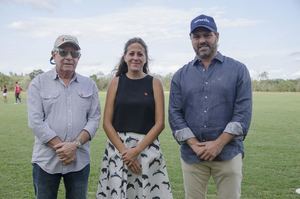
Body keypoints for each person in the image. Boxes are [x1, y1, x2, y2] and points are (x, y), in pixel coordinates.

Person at [169, 14, 252, 199]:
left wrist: (218, 144)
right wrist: (194, 144)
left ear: (217, 36)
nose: (202, 40)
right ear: (191, 40)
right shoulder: (180, 75)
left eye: (207, 35)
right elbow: (175, 114)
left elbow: (243, 113)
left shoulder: (238, 70)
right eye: (196, 36)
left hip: (229, 154)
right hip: (192, 156)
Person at [96, 37, 173, 199]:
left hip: (147, 150)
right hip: (118, 151)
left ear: (146, 58)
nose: (136, 58)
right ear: (125, 57)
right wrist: (126, 153)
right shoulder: (115, 83)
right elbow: (107, 123)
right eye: (132, 53)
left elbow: (159, 124)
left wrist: (136, 151)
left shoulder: (155, 83)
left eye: (140, 54)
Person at [27, 35, 101, 199]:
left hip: (79, 160)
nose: (69, 57)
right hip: (45, 161)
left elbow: (94, 119)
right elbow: (36, 121)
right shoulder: (38, 83)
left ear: (78, 58)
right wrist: (64, 148)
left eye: (74, 53)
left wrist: (74, 145)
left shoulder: (89, 84)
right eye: (63, 52)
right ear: (54, 55)